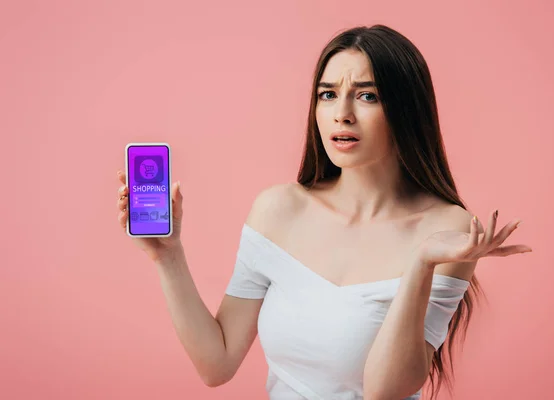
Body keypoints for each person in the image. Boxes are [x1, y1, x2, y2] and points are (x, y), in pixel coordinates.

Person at [116, 24, 531, 400]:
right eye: (328, 94)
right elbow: (217, 363)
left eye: (367, 95)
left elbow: (386, 390)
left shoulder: (448, 228)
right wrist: (167, 256)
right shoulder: (278, 209)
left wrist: (420, 265)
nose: (342, 112)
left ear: (406, 110)